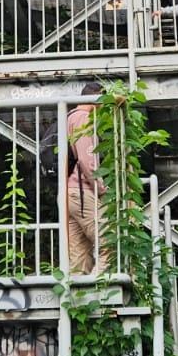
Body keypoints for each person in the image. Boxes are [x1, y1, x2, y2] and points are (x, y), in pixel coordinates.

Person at [66, 81, 109, 275]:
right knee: (110, 242)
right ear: (97, 100)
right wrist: (101, 188)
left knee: (79, 255)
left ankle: (79, 292)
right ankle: (101, 287)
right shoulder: (84, 119)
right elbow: (87, 159)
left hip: (70, 192)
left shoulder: (69, 117)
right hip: (83, 192)